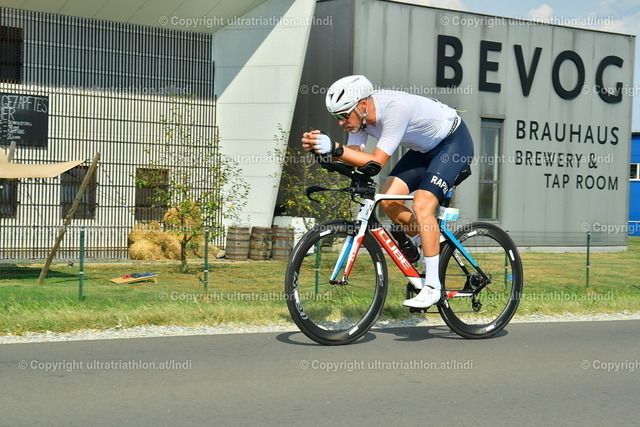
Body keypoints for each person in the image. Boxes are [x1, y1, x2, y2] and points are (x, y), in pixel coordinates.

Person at [301, 75, 474, 309]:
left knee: (422, 204)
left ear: (363, 105)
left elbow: (375, 162)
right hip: (423, 151)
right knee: (388, 201)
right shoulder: (360, 120)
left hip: (453, 143)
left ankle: (433, 287)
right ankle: (429, 243)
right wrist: (323, 151)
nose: (341, 123)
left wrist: (334, 148)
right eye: (337, 117)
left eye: (343, 115)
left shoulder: (394, 109)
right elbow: (354, 158)